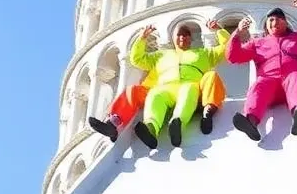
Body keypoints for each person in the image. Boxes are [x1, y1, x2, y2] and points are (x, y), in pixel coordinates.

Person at [88, 20, 229, 149]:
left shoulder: (203, 53)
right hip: (164, 88)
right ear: (174, 38)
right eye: (179, 35)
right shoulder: (161, 55)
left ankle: (178, 124)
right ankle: (130, 126)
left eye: (186, 35)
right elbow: (137, 59)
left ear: (191, 39)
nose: (182, 38)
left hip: (191, 85)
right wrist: (142, 38)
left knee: (191, 89)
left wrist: (219, 30)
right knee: (149, 94)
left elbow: (227, 47)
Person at [226, 0, 297, 142]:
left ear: (286, 23)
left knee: (295, 78)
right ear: (266, 25)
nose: (275, 22)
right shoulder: (258, 43)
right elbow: (233, 56)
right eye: (271, 20)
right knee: (259, 85)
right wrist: (237, 34)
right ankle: (251, 121)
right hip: (271, 84)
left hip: (294, 78)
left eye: (279, 18)